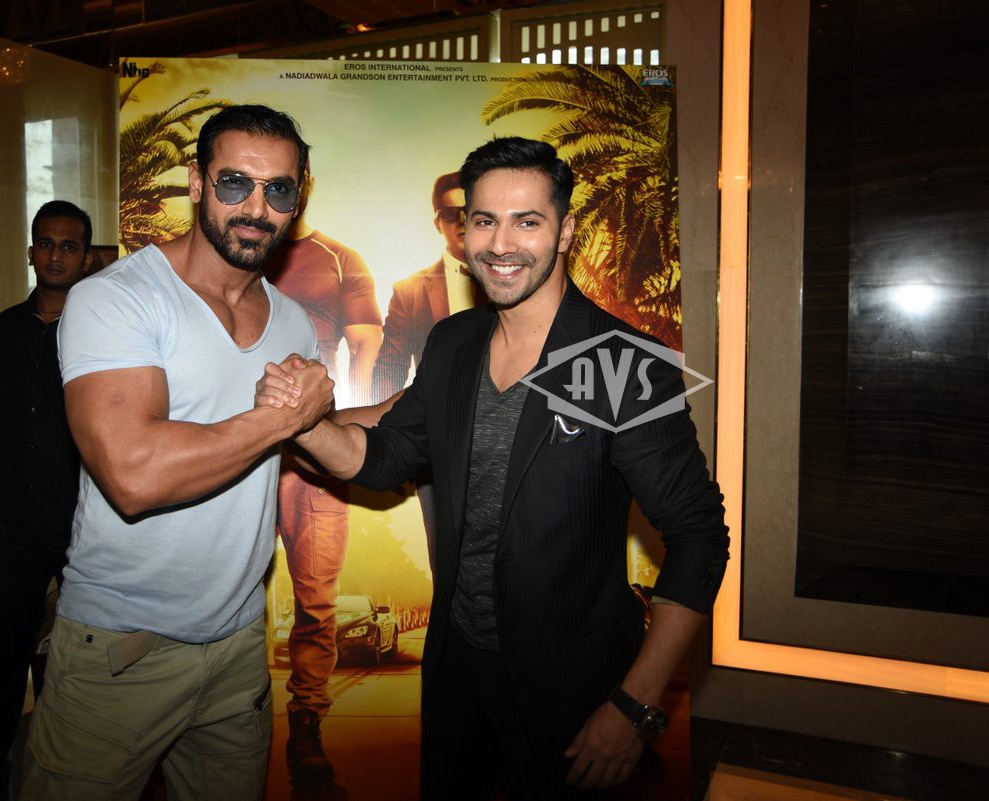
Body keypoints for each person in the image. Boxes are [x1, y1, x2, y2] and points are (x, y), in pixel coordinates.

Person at [259, 137, 730, 799]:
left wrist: (634, 706)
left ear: (565, 231)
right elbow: (383, 456)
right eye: (484, 221)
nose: (501, 244)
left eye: (526, 221)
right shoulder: (455, 343)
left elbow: (699, 536)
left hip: (573, 690)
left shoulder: (618, 361)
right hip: (457, 677)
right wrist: (303, 420)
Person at [19, 105, 334, 801]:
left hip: (238, 645)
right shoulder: (117, 299)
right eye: (235, 183)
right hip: (121, 648)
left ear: (298, 199)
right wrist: (282, 418)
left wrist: (430, 406)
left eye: (279, 189)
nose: (256, 208)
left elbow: (310, 444)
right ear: (196, 182)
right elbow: (133, 474)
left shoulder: (292, 321)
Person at [0, 200, 93, 800]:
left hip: (83, 522)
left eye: (68, 246)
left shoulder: (101, 329)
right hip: (10, 519)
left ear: (85, 258)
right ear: (32, 251)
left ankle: (69, 775)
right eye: (46, 244)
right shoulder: (5, 329)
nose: (56, 255)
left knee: (77, 656)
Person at [261, 185, 382, 777]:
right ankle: (227, 710)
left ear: (304, 182)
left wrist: (333, 428)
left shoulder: (339, 259)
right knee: (222, 584)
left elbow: (366, 348)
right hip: (236, 443)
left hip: (311, 455)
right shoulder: (239, 249)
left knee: (315, 599)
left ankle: (306, 720)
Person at [372, 171, 483, 403]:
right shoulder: (410, 292)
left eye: (469, 211)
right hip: (435, 417)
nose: (462, 220)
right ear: (437, 223)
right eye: (450, 213)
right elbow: (389, 373)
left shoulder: (515, 279)